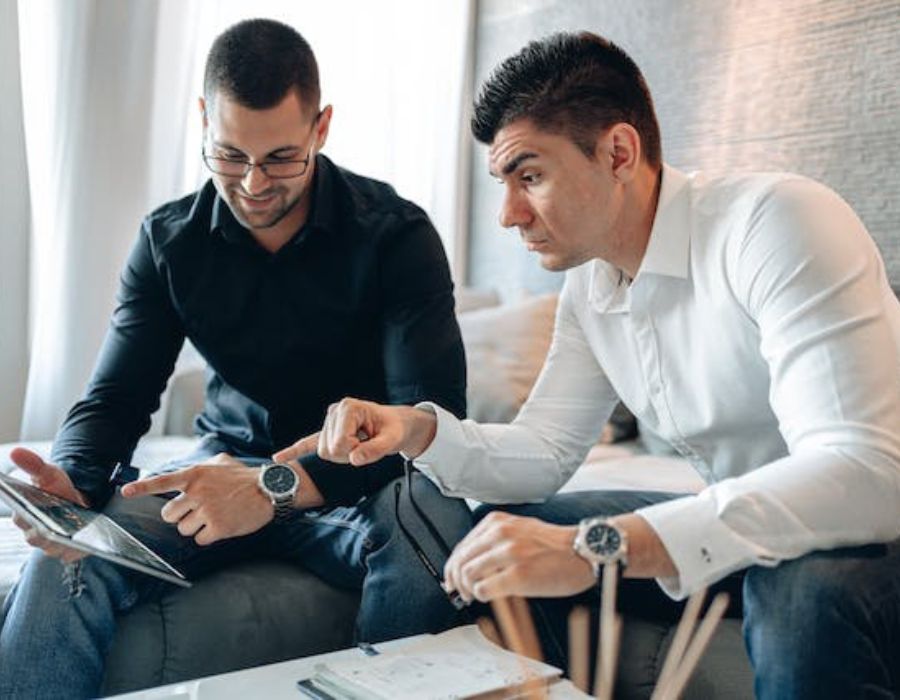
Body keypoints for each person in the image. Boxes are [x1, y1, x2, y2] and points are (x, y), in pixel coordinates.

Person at [277, 31, 900, 698]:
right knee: (500, 545)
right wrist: (418, 431)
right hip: (749, 520)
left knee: (799, 590)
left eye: (531, 176)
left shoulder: (774, 222)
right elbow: (544, 450)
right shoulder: (592, 290)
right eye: (503, 183)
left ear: (618, 152)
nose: (509, 215)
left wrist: (602, 545)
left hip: (871, 527)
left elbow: (865, 473)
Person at [0, 18, 473, 700]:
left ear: (322, 127)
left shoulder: (396, 236)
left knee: (432, 516)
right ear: (202, 120)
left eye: (281, 158)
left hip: (358, 488)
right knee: (69, 556)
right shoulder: (170, 242)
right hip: (218, 476)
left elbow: (431, 430)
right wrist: (71, 483)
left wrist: (274, 489)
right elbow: (116, 399)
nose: (253, 184)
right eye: (228, 155)